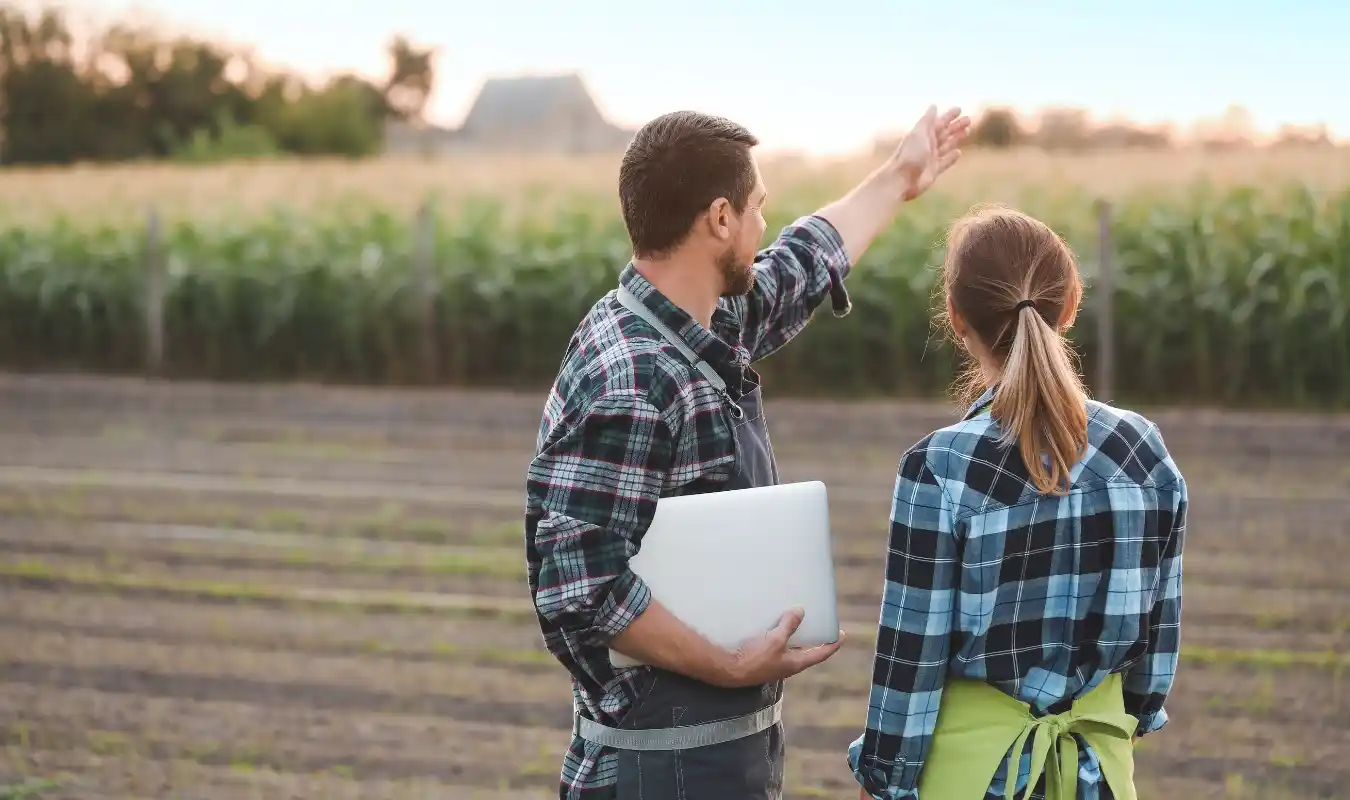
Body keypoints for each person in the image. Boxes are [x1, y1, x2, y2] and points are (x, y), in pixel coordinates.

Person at [525, 104, 971, 800]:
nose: (765, 227)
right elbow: (579, 590)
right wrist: (727, 664)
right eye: (758, 208)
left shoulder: (694, 320)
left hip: (712, 760)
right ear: (721, 218)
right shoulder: (633, 380)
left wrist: (899, 177)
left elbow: (800, 264)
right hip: (664, 773)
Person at [848, 206, 1188, 800]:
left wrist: (883, 781)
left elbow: (912, 662)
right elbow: (1154, 659)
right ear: (1071, 306)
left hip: (973, 781)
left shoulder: (939, 467)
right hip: (1099, 774)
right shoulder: (1144, 451)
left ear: (956, 319)